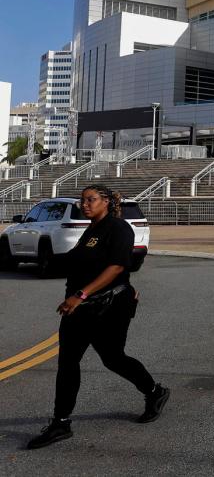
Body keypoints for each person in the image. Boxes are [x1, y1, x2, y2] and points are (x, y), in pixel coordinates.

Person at [26, 184, 170, 449]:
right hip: (81, 309)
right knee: (68, 363)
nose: (85, 204)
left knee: (113, 359)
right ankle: (61, 422)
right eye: (83, 200)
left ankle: (155, 392)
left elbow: (116, 266)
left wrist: (79, 295)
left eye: (91, 199)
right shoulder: (91, 230)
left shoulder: (119, 228)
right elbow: (78, 260)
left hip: (109, 306)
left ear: (106, 201)